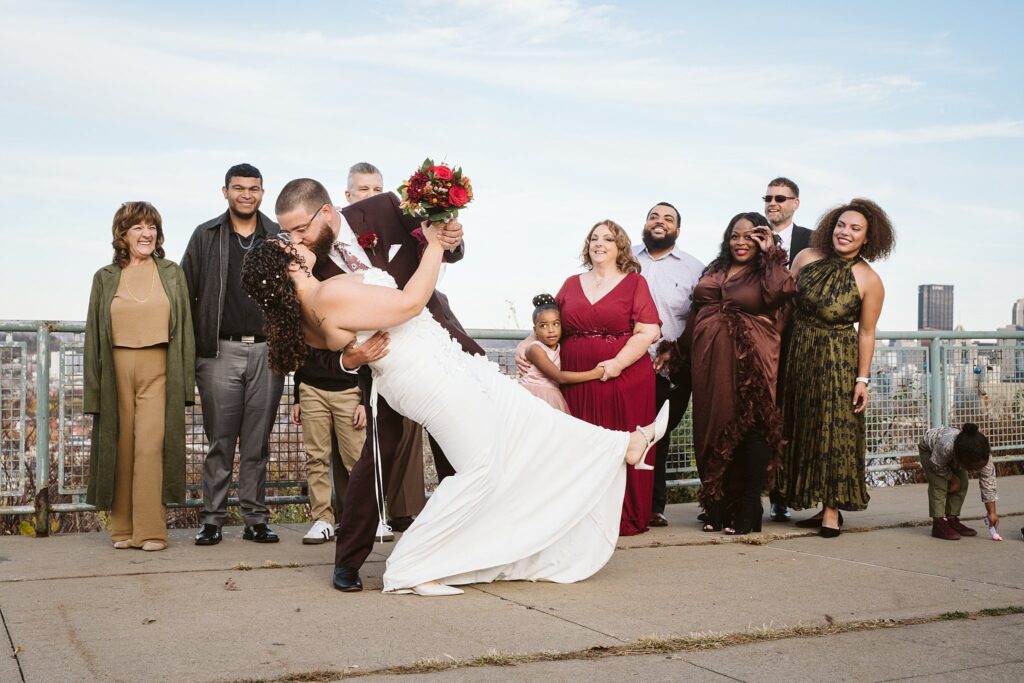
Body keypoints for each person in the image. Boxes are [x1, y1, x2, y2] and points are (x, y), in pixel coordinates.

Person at [240, 232, 669, 596]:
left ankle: (624, 444)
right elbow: (409, 303)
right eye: (289, 242)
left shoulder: (304, 312)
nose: (298, 240)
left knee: (527, 416)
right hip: (427, 375)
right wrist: (432, 246)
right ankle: (413, 563)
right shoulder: (327, 293)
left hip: (441, 361)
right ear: (288, 262)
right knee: (481, 467)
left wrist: (354, 354)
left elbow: (344, 347)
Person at [274, 178, 483, 592]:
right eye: (288, 233)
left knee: (460, 451)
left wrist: (453, 239)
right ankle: (348, 561)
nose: (294, 240)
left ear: (328, 212)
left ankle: (467, 547)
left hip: (438, 342)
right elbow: (315, 337)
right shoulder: (306, 268)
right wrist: (348, 360)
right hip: (386, 367)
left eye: (300, 230)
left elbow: (438, 243)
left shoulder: (386, 207)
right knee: (375, 457)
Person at [778, 198, 896, 537]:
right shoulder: (805, 258)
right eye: (841, 225)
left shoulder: (870, 279)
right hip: (798, 352)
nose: (845, 232)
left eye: (855, 229)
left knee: (834, 429)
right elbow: (784, 306)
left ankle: (831, 510)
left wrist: (862, 379)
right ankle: (798, 497)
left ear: (868, 239)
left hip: (837, 360)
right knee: (799, 424)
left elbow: (868, 333)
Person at [180, 163, 284, 546]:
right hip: (218, 351)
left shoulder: (278, 236)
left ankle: (256, 520)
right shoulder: (205, 236)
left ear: (262, 192)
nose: (246, 194)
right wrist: (192, 352)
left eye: (253, 188)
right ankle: (212, 520)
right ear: (224, 191)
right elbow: (185, 294)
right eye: (238, 188)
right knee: (219, 441)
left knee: (257, 443)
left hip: (267, 352)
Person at [84, 202, 195, 551]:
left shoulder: (172, 272)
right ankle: (124, 530)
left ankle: (151, 531)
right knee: (121, 447)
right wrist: (93, 391)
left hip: (160, 368)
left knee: (150, 447)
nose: (146, 234)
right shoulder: (104, 277)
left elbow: (186, 328)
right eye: (137, 227)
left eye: (151, 227)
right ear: (123, 234)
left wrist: (187, 384)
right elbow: (92, 335)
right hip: (115, 370)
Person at [681, 213, 796, 534]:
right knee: (711, 429)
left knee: (751, 428)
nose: (741, 242)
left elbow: (783, 291)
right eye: (735, 235)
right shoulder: (714, 269)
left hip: (752, 360)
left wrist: (771, 250)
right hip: (709, 365)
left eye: (750, 236)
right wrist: (678, 350)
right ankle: (717, 506)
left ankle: (748, 508)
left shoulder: (767, 271)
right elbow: (695, 312)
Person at [556, 220, 661, 536]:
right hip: (577, 380)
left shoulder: (634, 283)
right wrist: (526, 347)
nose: (599, 243)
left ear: (620, 247)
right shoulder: (571, 283)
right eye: (594, 238)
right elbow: (548, 326)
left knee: (621, 443)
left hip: (624, 378)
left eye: (608, 239)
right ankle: (583, 514)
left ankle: (623, 515)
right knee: (582, 446)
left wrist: (617, 363)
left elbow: (648, 331)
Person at [343, 161, 426, 534]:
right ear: (347, 197)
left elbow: (444, 251)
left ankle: (410, 515)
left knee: (413, 435)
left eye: (378, 189)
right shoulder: (341, 242)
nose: (373, 197)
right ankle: (364, 521)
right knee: (376, 445)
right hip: (366, 356)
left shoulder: (401, 226)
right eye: (364, 190)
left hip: (415, 345)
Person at [632, 202, 703, 527]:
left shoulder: (693, 268)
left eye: (668, 218)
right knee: (625, 430)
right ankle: (627, 502)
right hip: (629, 363)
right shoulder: (626, 258)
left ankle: (654, 505)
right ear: (646, 223)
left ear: (678, 229)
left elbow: (700, 317)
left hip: (672, 368)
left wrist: (679, 350)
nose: (660, 222)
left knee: (658, 434)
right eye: (654, 217)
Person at [762, 177, 812, 522]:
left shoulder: (813, 241)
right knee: (765, 419)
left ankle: (788, 493)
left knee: (794, 421)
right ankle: (764, 493)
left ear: (795, 202)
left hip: (802, 343)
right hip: (759, 340)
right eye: (768, 197)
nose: (772, 203)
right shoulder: (750, 234)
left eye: (780, 197)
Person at [290, 352, 366, 544]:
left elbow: (366, 351)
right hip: (311, 388)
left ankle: (369, 519)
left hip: (350, 390)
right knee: (315, 458)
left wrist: (365, 402)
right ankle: (323, 520)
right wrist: (297, 398)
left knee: (358, 459)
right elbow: (301, 349)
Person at [515, 294, 604, 412]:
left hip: (552, 395)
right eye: (543, 325)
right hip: (535, 396)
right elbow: (559, 377)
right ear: (535, 330)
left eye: (555, 324)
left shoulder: (559, 346)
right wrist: (596, 373)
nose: (551, 330)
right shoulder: (535, 349)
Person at [918, 423, 998, 540]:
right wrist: (953, 479)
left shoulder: (983, 453)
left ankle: (952, 520)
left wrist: (992, 513)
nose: (977, 470)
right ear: (960, 461)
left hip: (954, 454)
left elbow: (988, 482)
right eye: (973, 468)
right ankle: (938, 523)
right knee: (939, 484)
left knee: (963, 483)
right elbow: (936, 464)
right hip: (931, 452)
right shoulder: (946, 445)